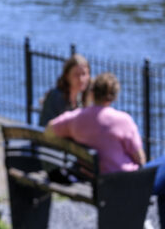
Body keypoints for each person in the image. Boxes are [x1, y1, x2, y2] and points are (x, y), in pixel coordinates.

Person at [45, 72, 165, 221]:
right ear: (114, 96)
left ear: (92, 92)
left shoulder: (76, 118)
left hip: (96, 182)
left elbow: (49, 129)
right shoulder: (123, 120)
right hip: (127, 183)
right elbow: (140, 159)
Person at [38, 53, 91, 127]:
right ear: (67, 76)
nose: (81, 79)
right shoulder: (56, 97)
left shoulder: (82, 98)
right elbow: (46, 126)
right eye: (76, 74)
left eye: (84, 74)